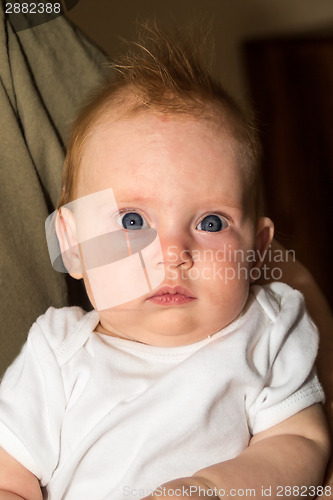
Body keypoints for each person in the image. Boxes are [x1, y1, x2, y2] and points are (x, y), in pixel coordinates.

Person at [0, 24, 330, 500]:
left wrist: (213, 489)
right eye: (132, 220)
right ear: (72, 245)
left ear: (257, 251)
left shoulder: (268, 327)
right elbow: (10, 479)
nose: (174, 254)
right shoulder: (56, 355)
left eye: (211, 223)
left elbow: (302, 442)